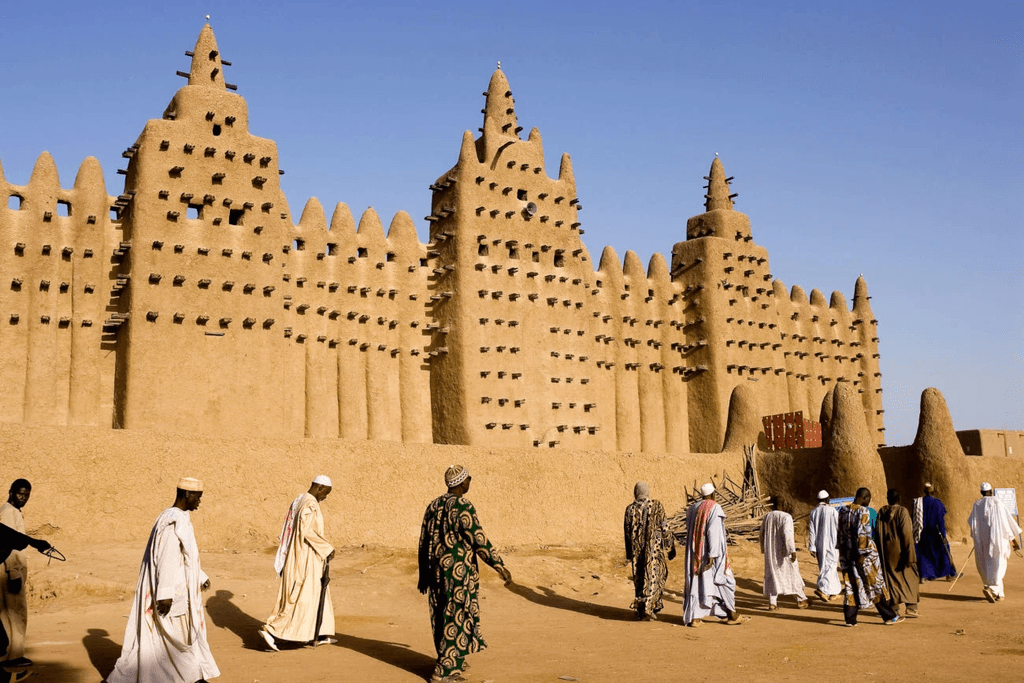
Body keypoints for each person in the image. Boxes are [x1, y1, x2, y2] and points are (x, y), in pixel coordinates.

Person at [107, 478, 219, 683]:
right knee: (174, 638)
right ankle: (192, 677)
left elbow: (184, 555)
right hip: (171, 591)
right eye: (198, 497)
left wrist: (199, 576)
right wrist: (165, 594)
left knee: (167, 638)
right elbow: (167, 557)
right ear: (187, 494)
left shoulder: (174, 517)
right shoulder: (173, 521)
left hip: (175, 587)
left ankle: (187, 676)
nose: (199, 502)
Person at [418, 466, 511, 683]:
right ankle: (444, 672)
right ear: (460, 483)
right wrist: (499, 565)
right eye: (468, 478)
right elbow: (478, 538)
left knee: (443, 615)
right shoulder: (463, 505)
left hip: (437, 572)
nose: (470, 481)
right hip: (457, 573)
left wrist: (423, 573)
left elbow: (423, 541)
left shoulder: (434, 505)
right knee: (455, 616)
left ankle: (453, 657)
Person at [260, 476, 336, 651]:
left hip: (304, 556)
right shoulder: (310, 504)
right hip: (305, 557)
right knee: (300, 598)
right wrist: (327, 548)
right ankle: (272, 631)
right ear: (319, 487)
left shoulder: (299, 500)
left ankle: (319, 632)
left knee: (314, 594)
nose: (325, 497)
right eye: (325, 493)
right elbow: (307, 530)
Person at [1, 480, 50, 669]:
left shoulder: (12, 512)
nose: (24, 498)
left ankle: (7, 654)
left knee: (7, 613)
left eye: (27, 495)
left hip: (9, 570)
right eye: (20, 494)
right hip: (10, 571)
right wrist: (13, 572)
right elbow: (7, 543)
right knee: (17, 613)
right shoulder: (8, 513)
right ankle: (15, 656)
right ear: (11, 492)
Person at [683, 483, 746, 627]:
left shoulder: (693, 508)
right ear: (713, 494)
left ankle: (696, 618)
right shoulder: (714, 507)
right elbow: (713, 533)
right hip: (712, 554)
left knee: (698, 583)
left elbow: (689, 527)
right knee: (726, 581)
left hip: (695, 554)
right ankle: (731, 614)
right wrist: (711, 557)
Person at [836, 487, 901, 626]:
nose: (869, 502)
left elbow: (840, 534)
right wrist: (863, 554)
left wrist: (844, 552)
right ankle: (889, 616)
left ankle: (850, 619)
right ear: (864, 498)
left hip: (846, 555)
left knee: (850, 585)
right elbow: (862, 534)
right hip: (863, 557)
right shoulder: (863, 511)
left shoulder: (842, 511)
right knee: (874, 584)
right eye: (869, 499)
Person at [623, 482, 676, 620]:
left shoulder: (629, 509)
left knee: (640, 579)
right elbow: (665, 526)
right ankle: (649, 606)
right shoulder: (656, 505)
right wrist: (670, 546)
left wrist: (629, 553)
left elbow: (627, 533)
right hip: (654, 552)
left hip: (637, 553)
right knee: (656, 575)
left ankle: (643, 608)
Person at [967, 482, 1022, 603]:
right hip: (999, 541)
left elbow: (972, 523)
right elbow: (1006, 522)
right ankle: (991, 588)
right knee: (998, 565)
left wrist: (978, 536)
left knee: (987, 566)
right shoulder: (998, 502)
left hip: (982, 543)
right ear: (991, 491)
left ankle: (999, 594)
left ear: (981, 492)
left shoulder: (976, 505)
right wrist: (1014, 540)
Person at [877, 489, 920, 617]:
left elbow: (878, 532)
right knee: (910, 577)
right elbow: (906, 533)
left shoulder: (882, 512)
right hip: (901, 551)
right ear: (899, 499)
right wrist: (910, 554)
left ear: (887, 498)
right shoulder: (902, 511)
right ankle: (911, 607)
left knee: (891, 579)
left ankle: (894, 607)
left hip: (887, 552)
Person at [759, 509, 808, 610]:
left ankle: (773, 603)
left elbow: (761, 533)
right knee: (792, 574)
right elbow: (788, 534)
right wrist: (792, 550)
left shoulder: (767, 516)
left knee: (773, 576)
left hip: (771, 553)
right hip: (784, 552)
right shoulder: (786, 517)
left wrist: (763, 549)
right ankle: (801, 600)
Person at [913, 483, 956, 581]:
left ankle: (924, 576)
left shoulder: (919, 503)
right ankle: (950, 574)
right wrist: (943, 535)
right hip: (935, 533)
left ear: (924, 491)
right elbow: (941, 521)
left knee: (924, 553)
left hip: (923, 533)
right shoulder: (937, 503)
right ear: (933, 492)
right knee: (944, 552)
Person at [808, 490, 841, 602]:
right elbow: (839, 527)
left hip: (819, 545)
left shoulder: (814, 512)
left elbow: (812, 531)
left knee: (826, 566)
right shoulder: (833, 511)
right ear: (827, 499)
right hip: (832, 544)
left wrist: (812, 547)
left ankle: (834, 592)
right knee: (830, 566)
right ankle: (823, 589)